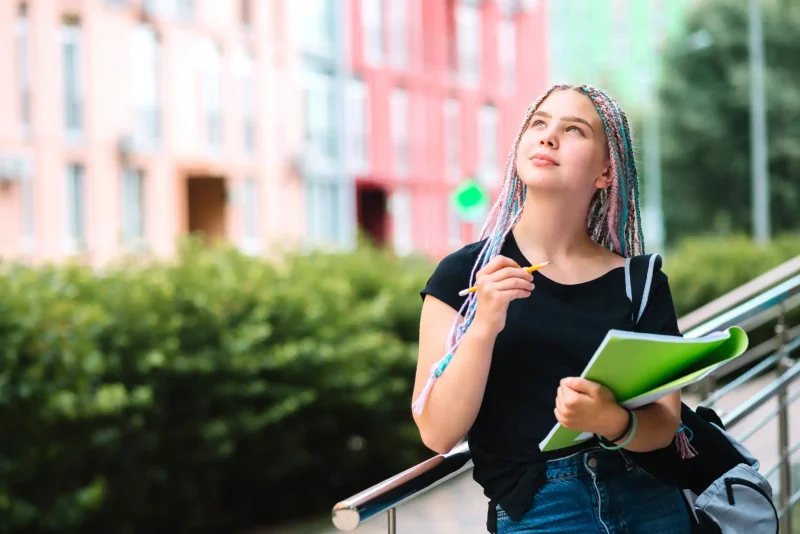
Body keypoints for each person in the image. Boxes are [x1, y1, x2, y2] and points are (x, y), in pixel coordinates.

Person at [412, 84, 693, 533]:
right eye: (539, 124)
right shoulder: (463, 276)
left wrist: (612, 421)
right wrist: (484, 324)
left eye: (574, 129)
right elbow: (437, 432)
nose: (548, 136)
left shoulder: (639, 282)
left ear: (606, 171)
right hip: (541, 511)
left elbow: (666, 422)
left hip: (652, 501)